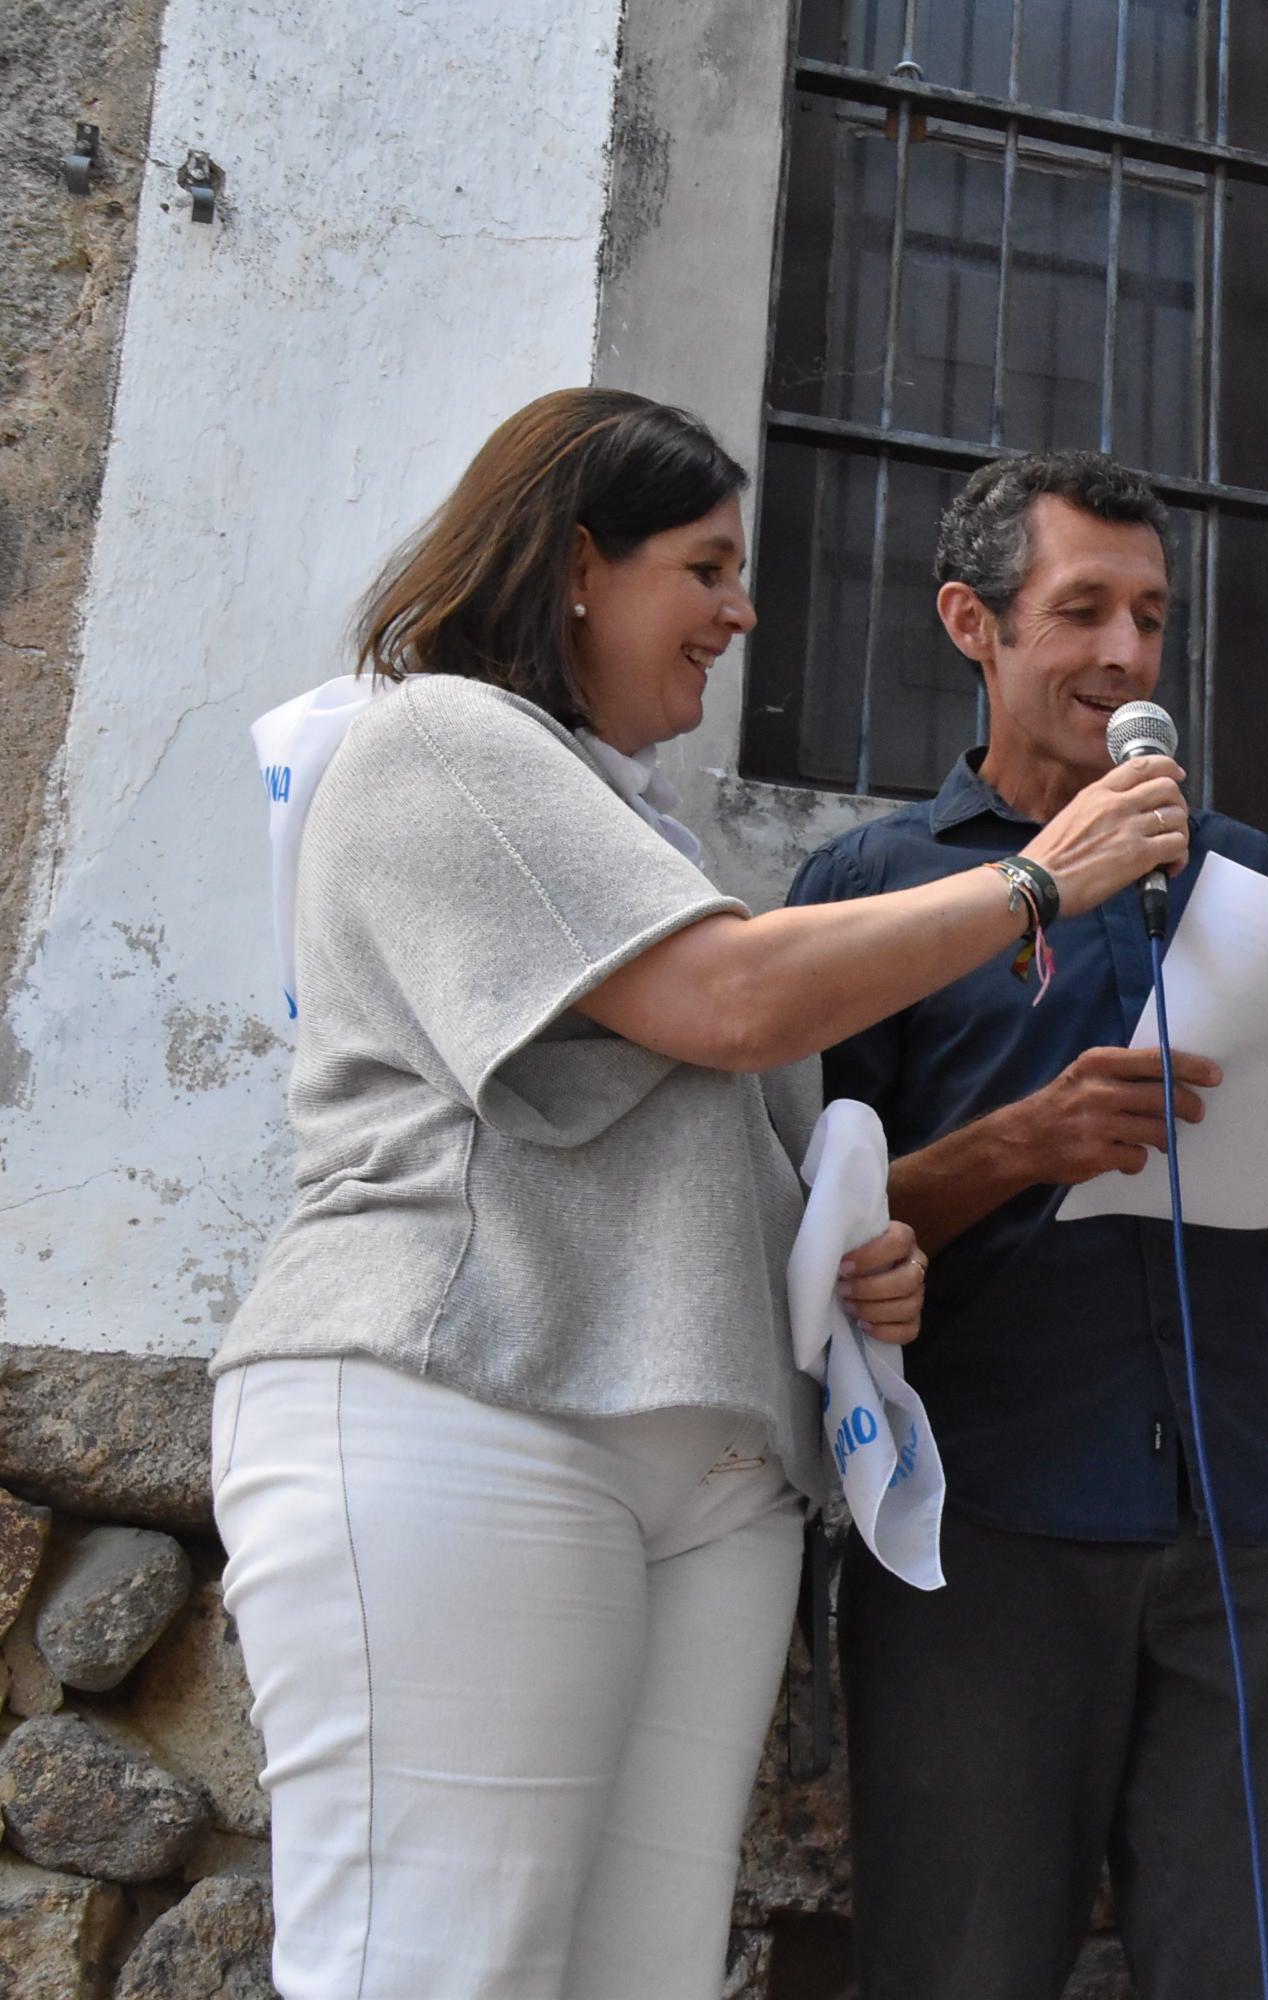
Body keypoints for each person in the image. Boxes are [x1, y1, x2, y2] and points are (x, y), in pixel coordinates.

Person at [212, 390, 1188, 2000]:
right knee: (436, 1967)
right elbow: (728, 1004)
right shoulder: (441, 738)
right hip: (470, 1410)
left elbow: (699, 1121)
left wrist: (845, 1253)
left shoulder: (642, 820)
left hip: (702, 1465)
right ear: (578, 563)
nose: (743, 611)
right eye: (708, 565)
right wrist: (1037, 877)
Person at [788, 448, 1268, 1999]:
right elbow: (811, 1237)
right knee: (960, 1966)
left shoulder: (1236, 872)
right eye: (1083, 609)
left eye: (1151, 619)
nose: (1125, 656)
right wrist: (1020, 1146)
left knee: (1258, 1969)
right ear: (974, 622)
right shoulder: (874, 889)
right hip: (983, 1524)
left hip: (1239, 1519)